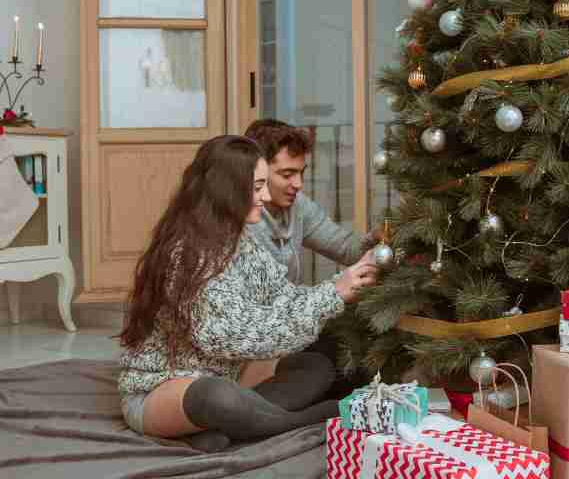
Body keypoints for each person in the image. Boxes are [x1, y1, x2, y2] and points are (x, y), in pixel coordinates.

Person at [117, 135, 378, 452]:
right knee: (216, 396)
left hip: (228, 370)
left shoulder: (239, 241)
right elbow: (232, 336)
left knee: (316, 368)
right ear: (227, 189)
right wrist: (331, 294)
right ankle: (302, 422)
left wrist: (338, 289)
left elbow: (284, 298)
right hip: (165, 388)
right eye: (257, 187)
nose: (265, 196)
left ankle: (222, 431)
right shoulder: (187, 253)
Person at [242, 119, 380, 284]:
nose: (298, 184)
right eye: (287, 175)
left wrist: (378, 238)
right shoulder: (240, 222)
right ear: (257, 171)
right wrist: (338, 288)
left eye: (301, 173)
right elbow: (268, 304)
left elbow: (346, 249)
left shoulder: (299, 205)